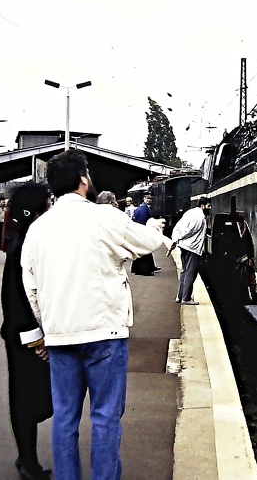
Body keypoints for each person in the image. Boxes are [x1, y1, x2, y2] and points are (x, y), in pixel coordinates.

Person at [21, 149, 166, 480]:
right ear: (84, 180)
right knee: (105, 418)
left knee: (65, 417)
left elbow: (30, 287)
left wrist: (47, 328)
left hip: (60, 337)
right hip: (105, 335)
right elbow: (146, 242)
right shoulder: (104, 217)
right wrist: (155, 226)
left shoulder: (38, 229)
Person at [0, 181, 53, 480]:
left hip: (26, 337)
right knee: (26, 401)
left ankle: (27, 459)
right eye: (47, 204)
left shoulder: (26, 242)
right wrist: (37, 340)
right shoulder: (21, 248)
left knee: (33, 400)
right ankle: (27, 461)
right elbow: (15, 301)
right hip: (25, 339)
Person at [167, 196, 211, 305]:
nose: (210, 208)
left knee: (184, 271)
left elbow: (179, 226)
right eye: (208, 206)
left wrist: (176, 238)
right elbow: (189, 231)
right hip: (192, 248)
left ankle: (180, 296)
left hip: (184, 246)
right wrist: (178, 238)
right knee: (191, 273)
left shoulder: (190, 212)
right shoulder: (199, 217)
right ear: (202, 206)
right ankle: (186, 298)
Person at [131, 195, 160, 275]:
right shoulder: (144, 209)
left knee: (142, 251)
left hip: (140, 232)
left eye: (150, 199)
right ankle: (145, 270)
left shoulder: (142, 207)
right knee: (146, 251)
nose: (149, 200)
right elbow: (143, 222)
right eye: (148, 199)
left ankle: (136, 268)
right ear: (144, 199)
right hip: (143, 232)